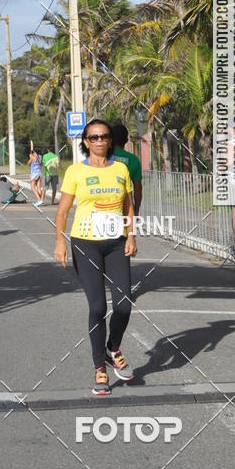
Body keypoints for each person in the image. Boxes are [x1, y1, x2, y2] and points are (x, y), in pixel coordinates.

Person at [54, 118, 137, 396]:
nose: (99, 141)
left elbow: (129, 206)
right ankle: (99, 368)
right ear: (86, 142)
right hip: (85, 243)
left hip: (116, 244)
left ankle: (113, 346)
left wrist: (132, 235)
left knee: (124, 303)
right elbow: (63, 211)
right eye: (93, 137)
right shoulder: (75, 171)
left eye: (104, 136)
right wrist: (59, 241)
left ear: (110, 140)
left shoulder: (121, 169)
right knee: (98, 307)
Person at [111, 123, 142, 214]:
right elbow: (138, 189)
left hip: (103, 207)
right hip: (126, 208)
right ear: (126, 140)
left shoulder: (102, 157)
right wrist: (136, 210)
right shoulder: (133, 160)